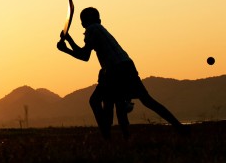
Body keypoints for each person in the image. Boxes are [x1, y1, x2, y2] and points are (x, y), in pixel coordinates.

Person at [57, 7, 189, 139]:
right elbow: (84, 53)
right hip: (126, 65)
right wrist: (68, 40)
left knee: (97, 101)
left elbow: (84, 56)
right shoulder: (99, 29)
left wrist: (66, 49)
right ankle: (179, 127)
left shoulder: (92, 29)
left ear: (83, 23)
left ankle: (107, 137)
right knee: (145, 101)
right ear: (99, 20)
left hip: (114, 70)